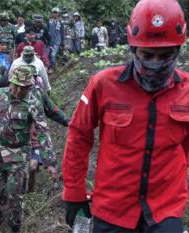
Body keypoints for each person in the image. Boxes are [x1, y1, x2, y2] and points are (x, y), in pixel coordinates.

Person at [62, 0, 189, 232]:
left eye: (165, 56)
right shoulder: (103, 84)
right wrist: (74, 192)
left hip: (164, 209)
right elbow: (79, 136)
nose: (156, 64)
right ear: (133, 49)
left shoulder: (187, 91)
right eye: (148, 55)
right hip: (113, 209)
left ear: (178, 51)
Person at [0, 65, 58, 233]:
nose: (18, 90)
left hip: (18, 154)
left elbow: (43, 132)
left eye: (24, 87)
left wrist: (49, 161)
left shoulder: (33, 103)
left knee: (15, 197)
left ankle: (15, 227)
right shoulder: (0, 94)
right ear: (11, 82)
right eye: (16, 85)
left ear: (30, 86)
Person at [47, 7, 64, 73]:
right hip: (50, 41)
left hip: (57, 41)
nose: (54, 14)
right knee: (48, 54)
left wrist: (62, 42)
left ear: (58, 13)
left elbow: (62, 32)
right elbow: (47, 31)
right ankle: (50, 66)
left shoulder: (61, 22)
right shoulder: (49, 21)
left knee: (53, 55)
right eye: (53, 12)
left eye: (56, 13)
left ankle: (52, 67)